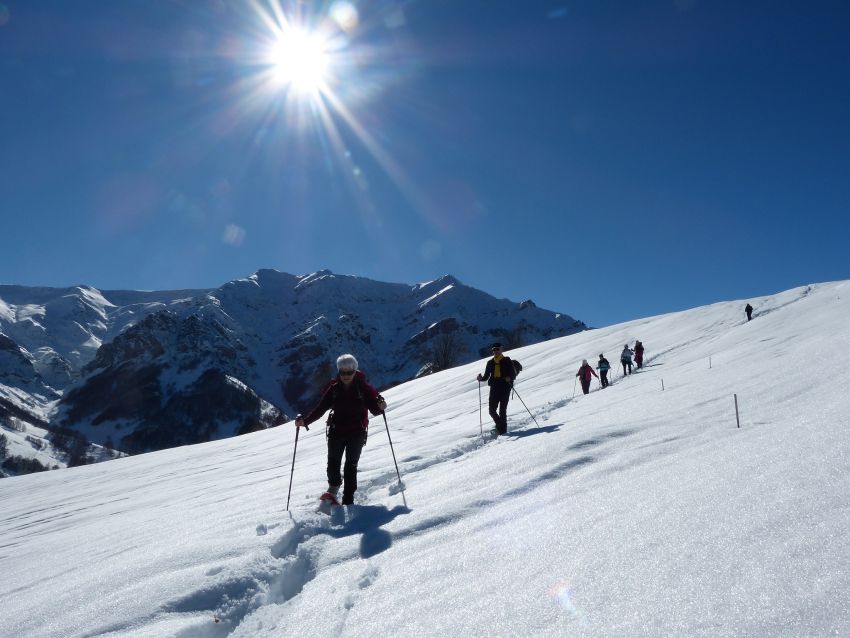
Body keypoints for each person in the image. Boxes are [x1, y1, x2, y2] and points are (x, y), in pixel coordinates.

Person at [295, 353, 386, 505]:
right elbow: (321, 408)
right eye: (342, 372)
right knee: (333, 464)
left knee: (350, 465)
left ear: (355, 371)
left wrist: (381, 406)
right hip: (337, 431)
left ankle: (348, 498)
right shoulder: (334, 388)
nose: (345, 376)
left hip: (357, 432)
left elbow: (375, 409)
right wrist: (305, 421)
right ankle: (334, 488)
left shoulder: (364, 388)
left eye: (349, 372)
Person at [476, 342, 516, 436]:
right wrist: (481, 378)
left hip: (505, 388)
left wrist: (509, 378)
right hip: (494, 388)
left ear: (501, 349)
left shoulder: (507, 360)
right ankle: (501, 427)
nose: (496, 351)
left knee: (502, 410)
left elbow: (513, 374)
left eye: (497, 349)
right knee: (492, 411)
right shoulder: (490, 363)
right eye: (494, 349)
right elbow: (486, 377)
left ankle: (503, 432)